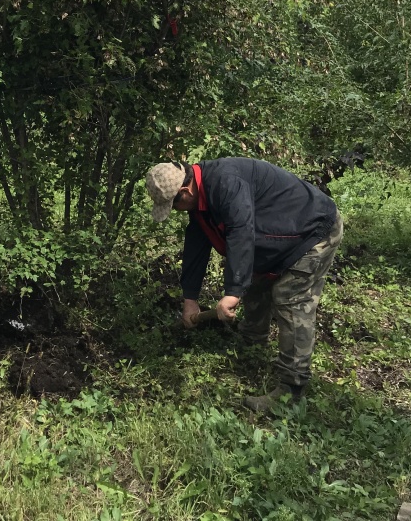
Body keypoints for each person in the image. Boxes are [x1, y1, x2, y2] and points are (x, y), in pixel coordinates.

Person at [145, 157, 342, 412]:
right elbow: (197, 243)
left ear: (186, 190)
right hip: (278, 233)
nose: (178, 211)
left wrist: (233, 291)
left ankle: (290, 391)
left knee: (290, 298)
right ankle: (251, 349)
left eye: (175, 205)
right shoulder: (199, 196)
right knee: (257, 279)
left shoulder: (226, 183)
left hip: (313, 229)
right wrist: (190, 299)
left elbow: (241, 230)